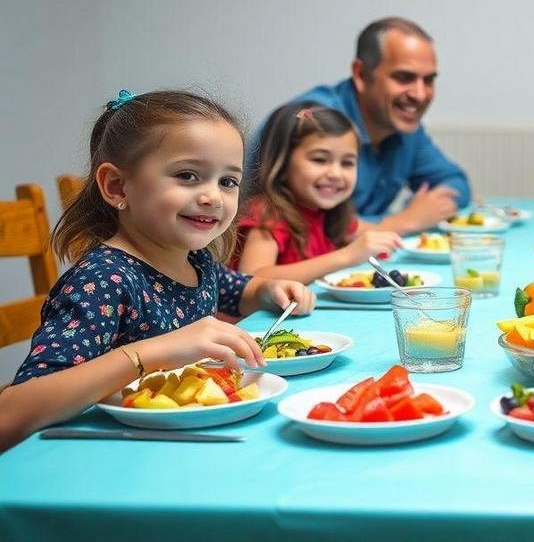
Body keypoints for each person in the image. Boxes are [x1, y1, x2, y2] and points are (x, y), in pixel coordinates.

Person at [0, 90, 314, 453]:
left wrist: (268, 290)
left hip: (184, 445)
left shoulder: (193, 258)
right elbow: (12, 413)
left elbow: (235, 289)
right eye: (187, 175)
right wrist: (153, 352)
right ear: (116, 186)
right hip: (106, 459)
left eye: (227, 181)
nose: (213, 196)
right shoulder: (103, 281)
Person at [256, 17, 469, 233]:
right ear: (361, 74)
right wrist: (402, 222)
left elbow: (456, 182)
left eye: (429, 80)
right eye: (404, 77)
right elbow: (301, 229)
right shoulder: (311, 122)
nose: (420, 94)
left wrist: (421, 209)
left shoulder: (403, 126)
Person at [232, 102, 404, 284]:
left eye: (347, 163)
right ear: (282, 163)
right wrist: (347, 256)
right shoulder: (267, 215)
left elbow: (370, 234)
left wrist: (380, 242)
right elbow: (252, 278)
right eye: (320, 160)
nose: (335, 174)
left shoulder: (331, 213)